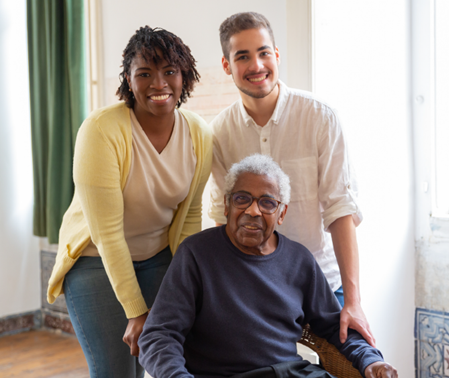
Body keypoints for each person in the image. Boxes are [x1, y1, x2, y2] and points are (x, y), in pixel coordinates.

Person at [46, 26, 212, 378]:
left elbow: (190, 215)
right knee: (116, 372)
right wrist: (136, 311)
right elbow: (106, 234)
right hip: (95, 262)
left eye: (170, 71)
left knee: (157, 363)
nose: (159, 83)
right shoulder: (101, 130)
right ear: (128, 78)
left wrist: (187, 283)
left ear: (185, 76)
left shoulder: (199, 133)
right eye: (145, 73)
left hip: (159, 259)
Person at [138, 154, 398, 378]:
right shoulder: (196, 254)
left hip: (292, 372)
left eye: (267, 202)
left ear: (281, 213)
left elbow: (334, 326)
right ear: (227, 205)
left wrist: (371, 360)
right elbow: (158, 336)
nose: (253, 211)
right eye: (242, 199)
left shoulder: (300, 260)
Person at [208, 12, 374, 347]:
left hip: (323, 284)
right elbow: (222, 220)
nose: (257, 65)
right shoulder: (218, 134)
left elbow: (341, 210)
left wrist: (353, 302)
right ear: (227, 66)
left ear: (277, 55)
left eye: (264, 52)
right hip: (251, 288)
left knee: (359, 359)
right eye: (243, 56)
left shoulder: (320, 117)